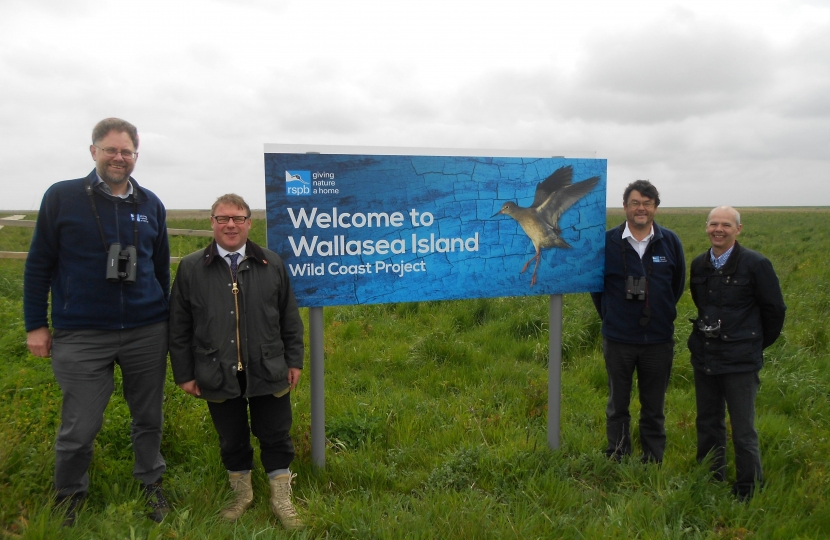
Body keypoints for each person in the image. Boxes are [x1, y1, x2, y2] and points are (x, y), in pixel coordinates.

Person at [23, 118, 170, 526]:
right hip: (81, 333)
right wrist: (36, 324)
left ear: (136, 156)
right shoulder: (62, 197)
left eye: (126, 151)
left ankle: (151, 482)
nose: (118, 158)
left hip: (146, 330)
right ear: (93, 152)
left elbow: (161, 271)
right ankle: (69, 495)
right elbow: (38, 265)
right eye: (110, 150)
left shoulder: (151, 204)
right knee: (80, 425)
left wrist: (168, 321)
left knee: (149, 417)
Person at [168, 194, 305, 529]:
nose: (231, 224)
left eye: (238, 218)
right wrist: (185, 373)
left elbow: (289, 317)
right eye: (223, 218)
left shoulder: (271, 263)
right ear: (212, 222)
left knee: (275, 434)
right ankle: (241, 494)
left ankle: (281, 497)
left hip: (268, 366)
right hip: (216, 370)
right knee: (231, 437)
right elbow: (179, 325)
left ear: (249, 223)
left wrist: (294, 361)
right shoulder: (190, 268)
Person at [688, 206, 785, 501]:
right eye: (714, 224)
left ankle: (748, 487)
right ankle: (710, 476)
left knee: (743, 428)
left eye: (726, 225)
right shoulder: (699, 264)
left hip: (741, 360)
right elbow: (700, 303)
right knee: (708, 420)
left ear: (738, 230)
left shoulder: (756, 264)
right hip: (705, 354)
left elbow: (775, 310)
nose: (719, 229)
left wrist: (753, 343)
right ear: (706, 227)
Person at [591, 180, 685, 463]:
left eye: (647, 203)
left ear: (655, 206)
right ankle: (617, 454)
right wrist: (612, 316)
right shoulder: (607, 243)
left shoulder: (670, 242)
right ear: (625, 207)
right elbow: (597, 288)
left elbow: (677, 285)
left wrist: (659, 311)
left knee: (654, 405)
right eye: (635, 203)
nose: (640, 208)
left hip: (658, 340)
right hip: (618, 339)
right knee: (617, 403)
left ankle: (653, 459)